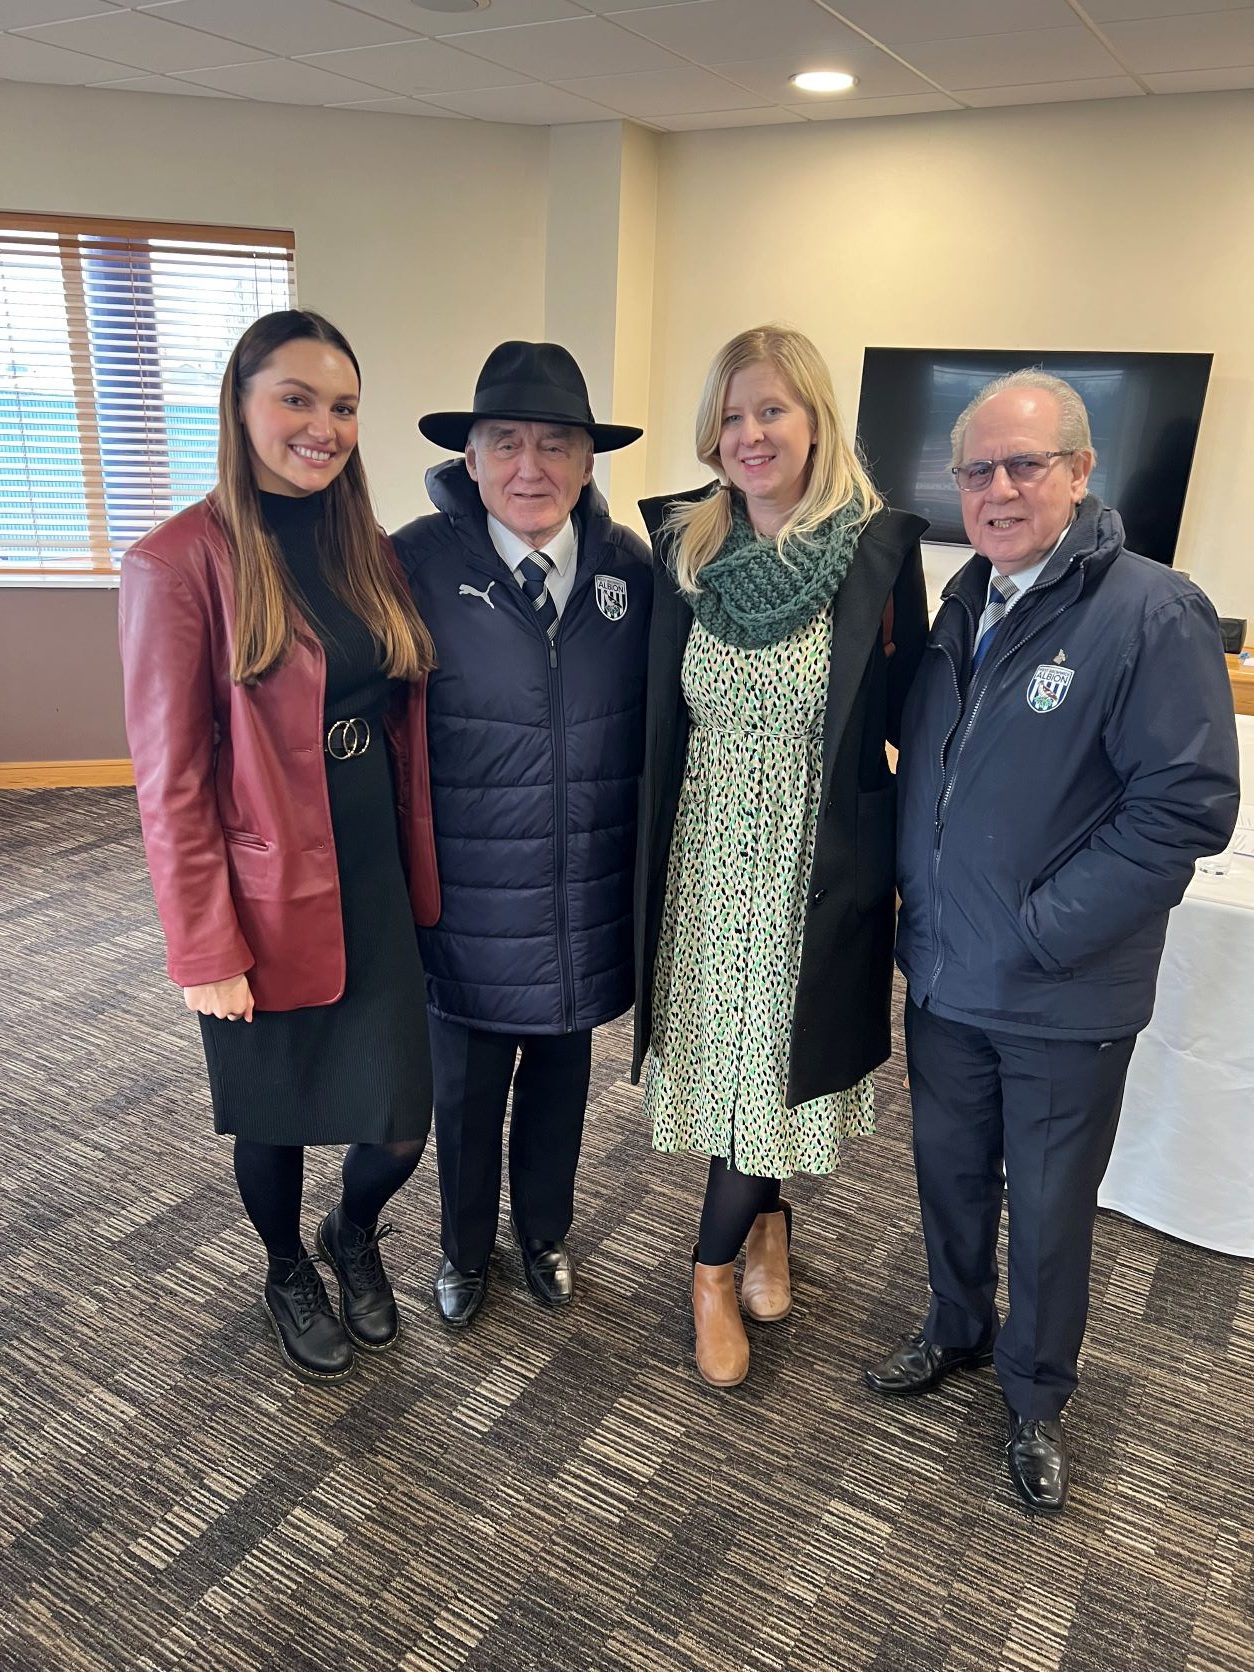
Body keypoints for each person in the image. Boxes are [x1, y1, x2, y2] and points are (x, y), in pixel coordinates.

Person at [865, 369, 1240, 1514]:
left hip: (1058, 994)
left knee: (1052, 1203)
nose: (997, 488)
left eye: (1026, 464)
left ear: (1081, 472)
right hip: (941, 975)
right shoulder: (959, 606)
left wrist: (1035, 930)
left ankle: (1035, 1396)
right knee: (947, 1178)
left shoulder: (1150, 610)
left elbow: (1183, 809)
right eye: (976, 469)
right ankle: (957, 1327)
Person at [119, 309, 440, 1385]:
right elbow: (169, 780)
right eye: (295, 398)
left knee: (399, 1117)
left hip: (369, 865)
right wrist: (202, 944)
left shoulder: (367, 548)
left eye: (342, 405)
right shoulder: (178, 563)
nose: (323, 425)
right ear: (242, 406)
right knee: (280, 1109)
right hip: (261, 882)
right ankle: (283, 1263)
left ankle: (354, 1233)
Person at [633, 325, 928, 1389]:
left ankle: (709, 1267)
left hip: (814, 869)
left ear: (815, 422)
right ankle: (768, 1225)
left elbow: (904, 725)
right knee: (732, 1081)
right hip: (706, 862)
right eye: (732, 413)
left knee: (771, 1077)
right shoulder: (687, 551)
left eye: (773, 410)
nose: (750, 433)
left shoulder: (877, 555)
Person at [391, 341, 651, 1327]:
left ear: (589, 462)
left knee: (559, 1086)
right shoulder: (412, 563)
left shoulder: (632, 570)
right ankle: (463, 1251)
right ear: (471, 458)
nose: (530, 468)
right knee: (463, 1095)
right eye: (507, 443)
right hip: (463, 900)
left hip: (583, 895)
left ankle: (542, 1233)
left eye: (556, 445)